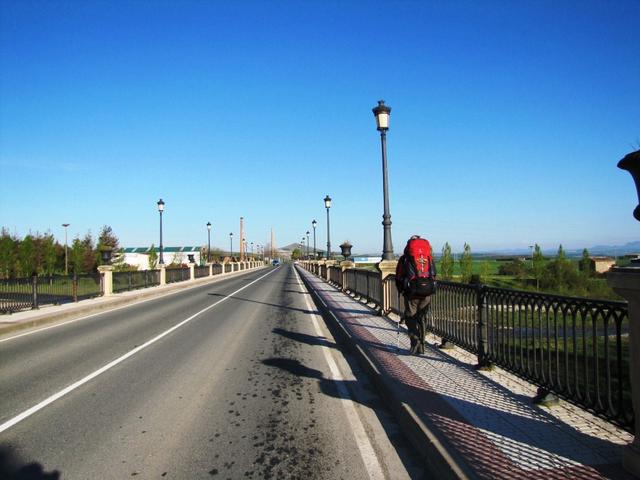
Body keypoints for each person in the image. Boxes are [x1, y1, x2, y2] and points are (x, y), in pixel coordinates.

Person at [395, 235, 436, 355]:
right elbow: (433, 274)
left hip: (411, 292)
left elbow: (399, 276)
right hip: (427, 292)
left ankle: (415, 341)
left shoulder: (405, 258)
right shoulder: (428, 257)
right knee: (422, 317)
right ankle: (422, 345)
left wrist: (401, 290)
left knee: (410, 317)